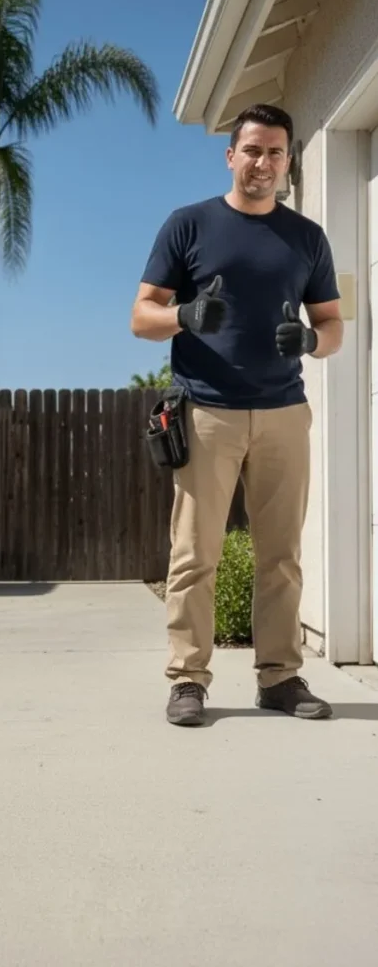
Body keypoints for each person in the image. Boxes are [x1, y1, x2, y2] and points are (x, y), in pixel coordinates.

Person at [130, 103, 344, 727]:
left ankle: (279, 679)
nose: (263, 162)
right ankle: (188, 679)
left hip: (284, 414)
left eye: (275, 152)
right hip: (207, 412)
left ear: (287, 161)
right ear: (231, 156)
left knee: (281, 556)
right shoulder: (189, 225)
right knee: (195, 553)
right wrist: (185, 315)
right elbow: (141, 315)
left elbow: (332, 324)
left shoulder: (307, 238)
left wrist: (311, 340)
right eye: (252, 150)